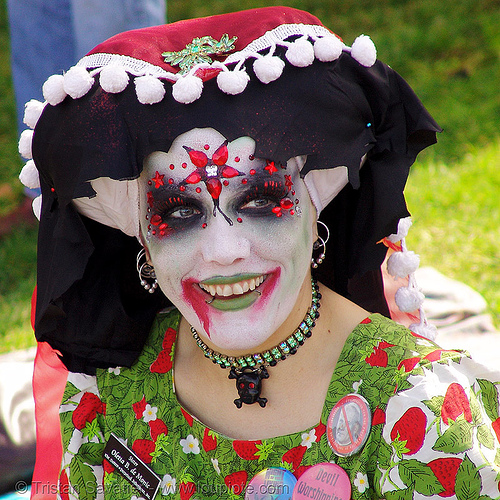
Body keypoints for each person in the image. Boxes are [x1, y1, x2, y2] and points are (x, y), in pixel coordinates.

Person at [18, 6, 500, 499]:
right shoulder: (112, 391)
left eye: (262, 200)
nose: (224, 250)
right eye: (179, 211)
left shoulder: (416, 408)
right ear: (138, 233)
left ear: (316, 210)